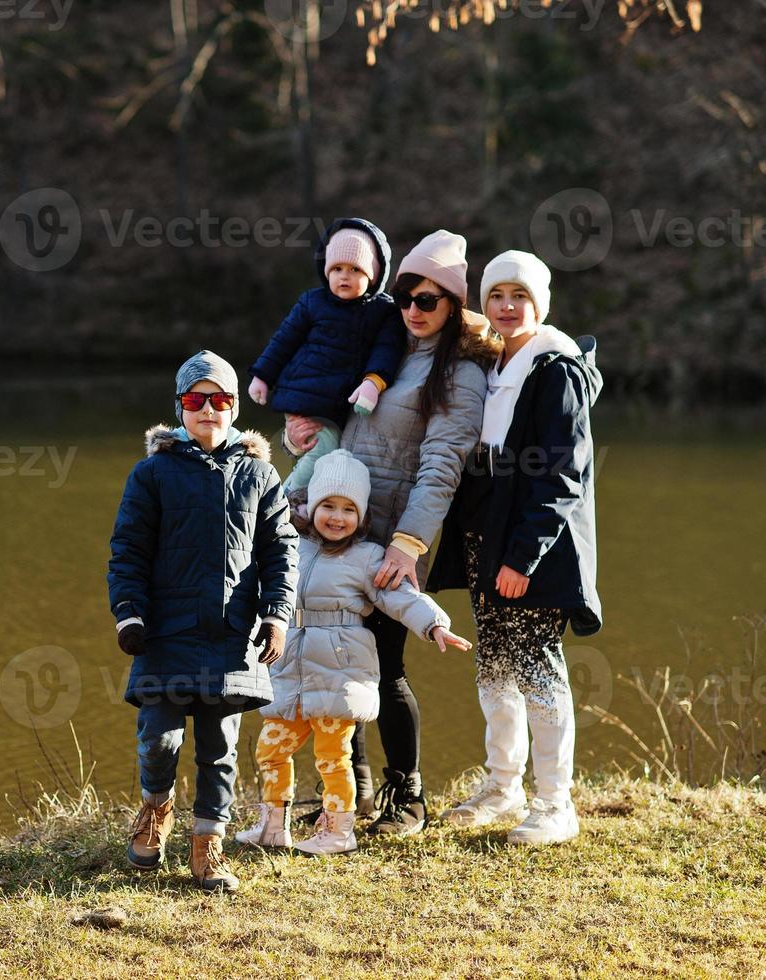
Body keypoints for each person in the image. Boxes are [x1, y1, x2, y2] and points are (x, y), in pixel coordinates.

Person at [283, 230, 502, 835]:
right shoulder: (388, 345)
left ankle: (407, 799)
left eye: (428, 300)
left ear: (454, 304)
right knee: (332, 657)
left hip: (394, 537)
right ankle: (343, 796)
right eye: (406, 295)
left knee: (382, 658)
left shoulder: (459, 372)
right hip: (336, 525)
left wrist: (409, 546)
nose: (413, 310)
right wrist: (299, 441)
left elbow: (442, 465)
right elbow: (334, 415)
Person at [427, 250, 603, 846]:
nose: (506, 306)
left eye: (519, 296)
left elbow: (561, 476)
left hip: (533, 548)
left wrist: (522, 558)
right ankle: (503, 787)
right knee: (494, 665)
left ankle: (556, 803)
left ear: (540, 304)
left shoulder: (556, 369)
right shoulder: (493, 360)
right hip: (485, 536)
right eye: (496, 295)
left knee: (538, 669)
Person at [108, 349, 299, 892]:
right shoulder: (152, 474)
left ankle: (208, 843)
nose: (208, 409)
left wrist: (277, 615)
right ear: (180, 407)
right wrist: (128, 614)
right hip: (164, 633)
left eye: (219, 400)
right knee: (159, 740)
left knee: (219, 750)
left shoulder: (260, 474)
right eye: (196, 400)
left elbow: (282, 551)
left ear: (235, 407)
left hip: (232, 637)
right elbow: (127, 551)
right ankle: (155, 808)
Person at [235, 450, 471, 856]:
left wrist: (434, 623)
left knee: (332, 757)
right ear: (311, 507)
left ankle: (338, 829)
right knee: (270, 748)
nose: (337, 517)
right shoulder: (292, 547)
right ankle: (273, 824)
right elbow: (259, 587)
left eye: (348, 509)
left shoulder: (367, 558)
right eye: (328, 505)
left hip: (340, 674)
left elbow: (401, 596)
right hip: (290, 671)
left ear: (361, 517)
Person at [247, 218, 407, 503]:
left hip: (338, 403)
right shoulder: (312, 302)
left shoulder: (383, 312)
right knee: (323, 449)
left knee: (327, 454)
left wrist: (374, 381)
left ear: (374, 274)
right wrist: (263, 376)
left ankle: (296, 504)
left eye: (355, 269)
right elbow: (284, 340)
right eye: (337, 269)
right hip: (304, 397)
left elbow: (387, 349)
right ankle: (283, 501)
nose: (344, 276)